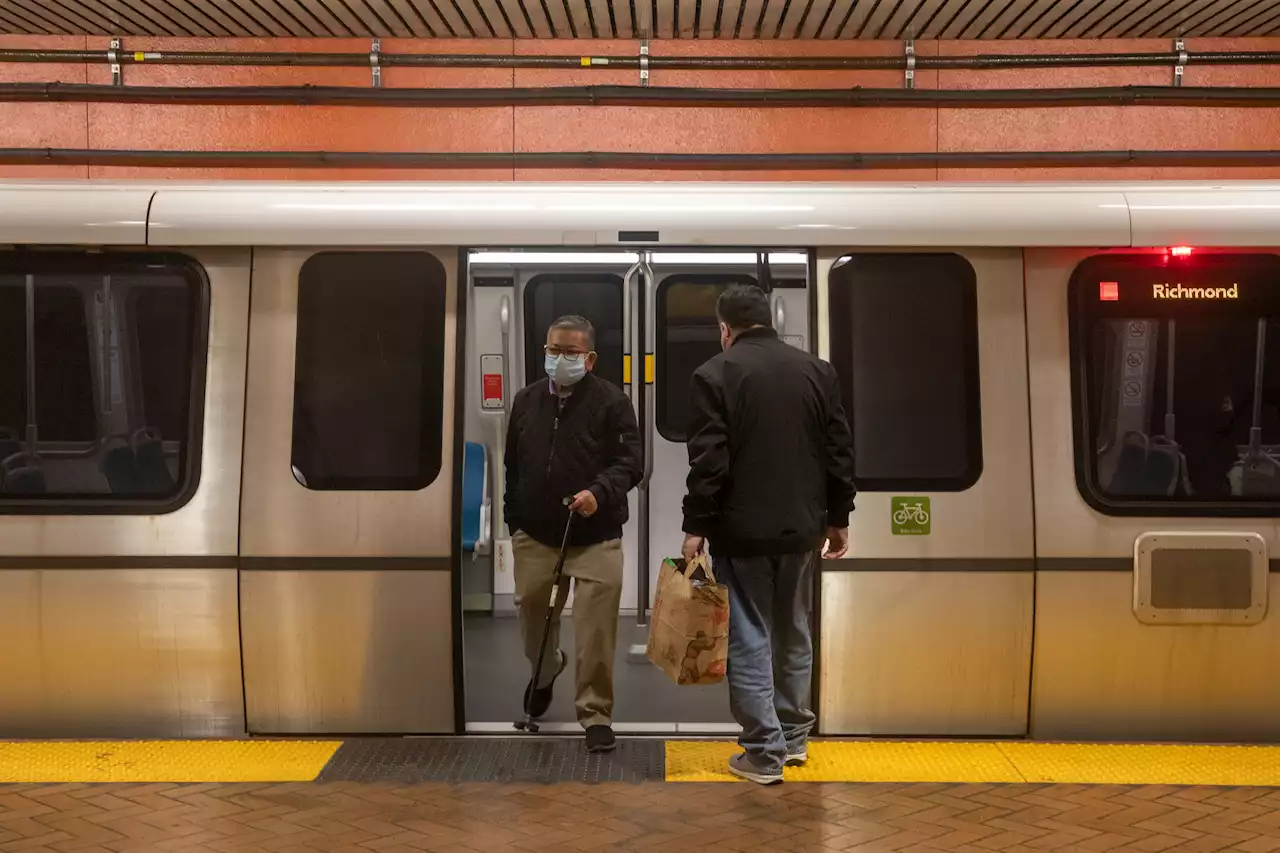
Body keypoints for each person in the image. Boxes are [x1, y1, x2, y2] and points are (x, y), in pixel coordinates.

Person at [681, 284, 855, 785]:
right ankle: (795, 739)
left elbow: (708, 462)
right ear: (769, 320)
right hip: (802, 528)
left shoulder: (714, 373)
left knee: (751, 635)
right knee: (793, 628)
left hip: (742, 531)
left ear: (724, 328)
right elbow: (839, 451)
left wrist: (696, 526)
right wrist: (838, 517)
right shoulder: (817, 371)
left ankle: (762, 751)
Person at [505, 314, 643, 753]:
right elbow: (514, 466)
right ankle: (546, 671)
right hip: (536, 534)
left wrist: (597, 493)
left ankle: (595, 713)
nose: (559, 358)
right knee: (531, 613)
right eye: (552, 350)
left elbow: (630, 463)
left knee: (595, 629)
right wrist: (514, 523)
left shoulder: (612, 403)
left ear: (590, 357)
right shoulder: (526, 401)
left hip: (596, 533)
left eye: (569, 352)